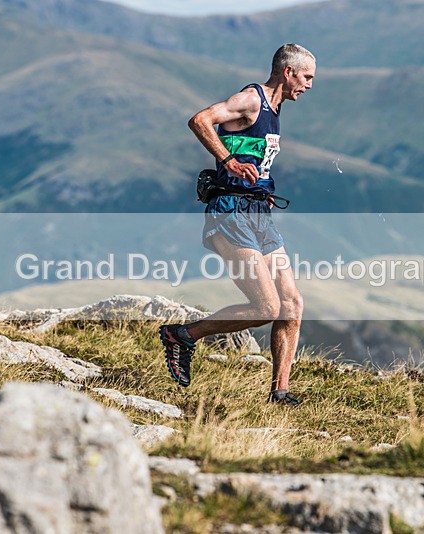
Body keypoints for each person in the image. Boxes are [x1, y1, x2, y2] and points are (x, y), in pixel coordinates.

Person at [159, 43, 316, 406]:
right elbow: (200, 120)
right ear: (288, 72)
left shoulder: (275, 109)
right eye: (306, 77)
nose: (308, 85)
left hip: (259, 213)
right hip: (229, 212)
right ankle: (182, 334)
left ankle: (280, 392)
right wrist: (228, 160)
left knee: (291, 304)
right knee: (265, 307)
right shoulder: (252, 99)